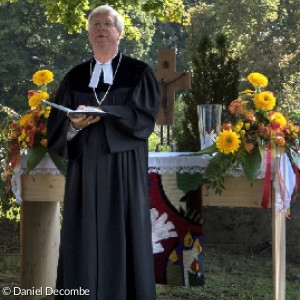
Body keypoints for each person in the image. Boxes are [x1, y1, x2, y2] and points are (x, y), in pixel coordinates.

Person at [47, 4, 160, 300]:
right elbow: (57, 129)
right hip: (84, 170)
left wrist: (104, 112)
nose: (100, 28)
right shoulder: (74, 77)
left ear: (119, 33)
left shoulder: (138, 72)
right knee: (82, 234)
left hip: (122, 168)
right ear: (88, 34)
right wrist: (74, 125)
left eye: (107, 24)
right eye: (95, 24)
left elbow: (144, 118)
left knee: (123, 231)